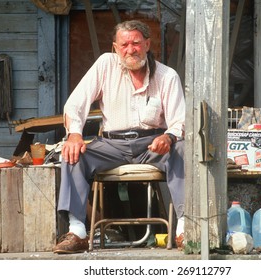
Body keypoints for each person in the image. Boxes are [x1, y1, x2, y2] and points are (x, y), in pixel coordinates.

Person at [53, 20, 185, 254]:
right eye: (124, 44)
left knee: (183, 150)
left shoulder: (167, 76)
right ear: (115, 47)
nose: (130, 49)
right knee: (73, 154)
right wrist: (74, 133)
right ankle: (77, 231)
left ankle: (184, 228)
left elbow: (179, 120)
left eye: (136, 43)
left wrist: (169, 137)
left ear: (147, 44)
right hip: (112, 144)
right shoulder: (105, 64)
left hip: (152, 145)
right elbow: (75, 104)